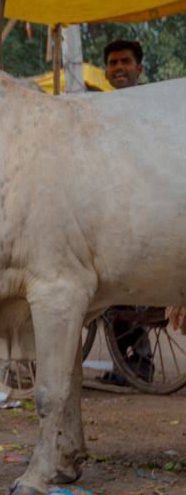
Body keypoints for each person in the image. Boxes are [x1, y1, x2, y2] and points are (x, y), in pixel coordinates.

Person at [100, 39, 153, 384]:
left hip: (144, 208)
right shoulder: (102, 109)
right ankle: (131, 363)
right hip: (111, 209)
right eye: (113, 63)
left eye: (125, 62)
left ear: (139, 68)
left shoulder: (149, 107)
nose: (119, 68)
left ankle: (142, 362)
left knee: (128, 290)